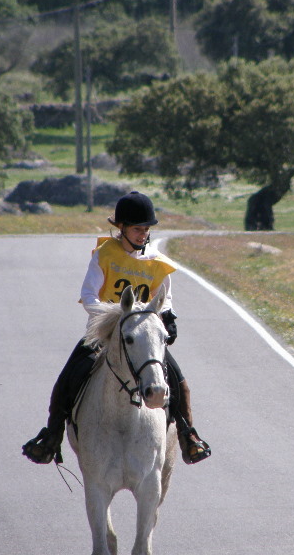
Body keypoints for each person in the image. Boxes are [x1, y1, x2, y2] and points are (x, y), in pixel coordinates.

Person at [22, 191, 211, 466]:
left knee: (179, 381)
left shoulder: (157, 262)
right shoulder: (104, 255)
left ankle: (187, 434)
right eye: (137, 229)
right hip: (103, 334)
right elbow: (89, 296)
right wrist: (115, 318)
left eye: (146, 229)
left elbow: (164, 296)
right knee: (67, 378)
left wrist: (168, 316)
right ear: (121, 227)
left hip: (141, 337)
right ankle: (52, 435)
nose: (142, 234)